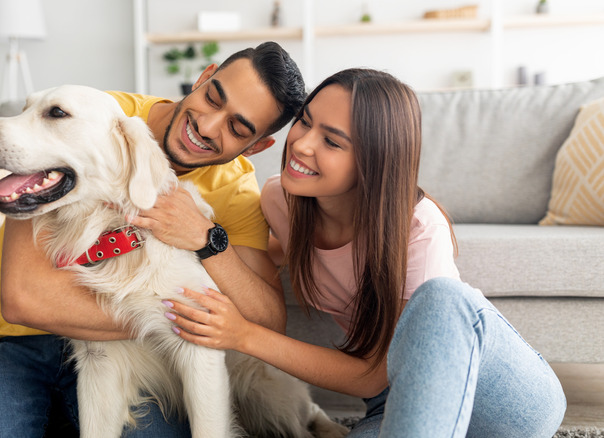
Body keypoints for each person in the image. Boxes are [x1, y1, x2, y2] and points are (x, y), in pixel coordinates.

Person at [164, 68, 567, 437]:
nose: (301, 145)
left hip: (498, 403)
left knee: (443, 299)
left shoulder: (419, 227)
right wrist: (198, 235)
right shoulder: (281, 201)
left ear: (373, 161)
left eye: (332, 141)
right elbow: (254, 262)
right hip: (391, 406)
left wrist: (244, 334)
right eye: (305, 121)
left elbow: (373, 373)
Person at [0, 41, 306, 438]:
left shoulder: (235, 189)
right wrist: (179, 319)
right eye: (213, 97)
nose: (208, 126)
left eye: (237, 128)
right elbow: (23, 301)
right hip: (16, 338)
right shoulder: (92, 114)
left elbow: (265, 321)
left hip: (133, 351)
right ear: (203, 77)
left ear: (257, 146)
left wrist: (206, 238)